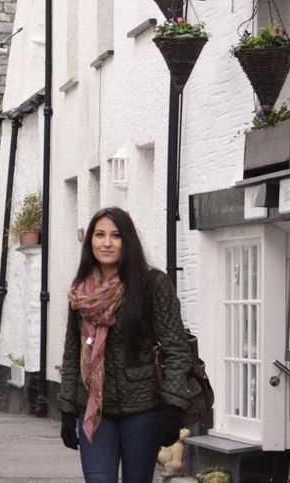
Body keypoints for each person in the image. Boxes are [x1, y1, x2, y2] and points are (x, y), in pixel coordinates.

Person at [58, 207, 193, 483]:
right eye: (100, 235)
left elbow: (177, 349)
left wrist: (172, 408)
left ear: (127, 241)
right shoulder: (81, 292)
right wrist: (67, 410)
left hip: (143, 411)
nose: (107, 243)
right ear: (90, 241)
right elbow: (73, 353)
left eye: (115, 235)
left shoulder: (152, 285)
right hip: (95, 411)